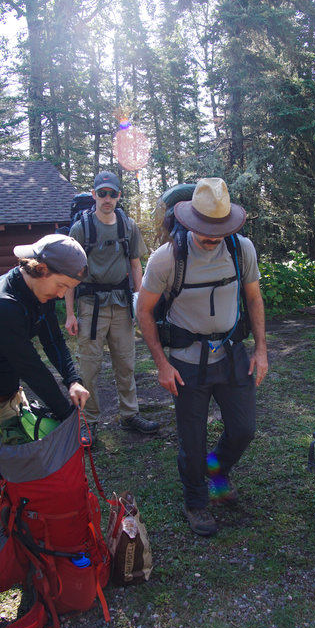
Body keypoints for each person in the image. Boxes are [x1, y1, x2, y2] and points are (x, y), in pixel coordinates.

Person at [0, 233, 91, 628]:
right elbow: (31, 367)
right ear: (39, 269)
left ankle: (27, 566)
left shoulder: (36, 295)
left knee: (21, 487)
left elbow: (53, 343)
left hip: (10, 400)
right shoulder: (1, 306)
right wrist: (69, 420)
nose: (61, 295)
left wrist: (75, 379)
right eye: (61, 287)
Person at [135, 177, 268, 537]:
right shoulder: (167, 259)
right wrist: (161, 363)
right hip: (185, 362)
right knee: (192, 440)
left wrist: (261, 349)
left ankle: (217, 470)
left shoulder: (242, 250)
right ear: (189, 221)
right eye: (205, 230)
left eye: (219, 230)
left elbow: (254, 299)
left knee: (243, 429)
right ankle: (196, 501)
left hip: (232, 354)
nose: (212, 237)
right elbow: (143, 311)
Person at [64, 170, 160, 434]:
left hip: (121, 304)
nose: (107, 198)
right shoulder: (81, 228)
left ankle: (130, 414)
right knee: (89, 367)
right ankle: (89, 421)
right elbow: (71, 273)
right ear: (93, 194)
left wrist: (140, 303)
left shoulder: (127, 226)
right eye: (102, 193)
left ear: (119, 196)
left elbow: (136, 264)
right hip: (90, 306)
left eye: (112, 193)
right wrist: (70, 314)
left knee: (126, 362)